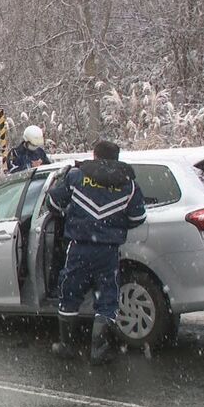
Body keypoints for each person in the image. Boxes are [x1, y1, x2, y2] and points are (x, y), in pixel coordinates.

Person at [46, 140, 146, 364]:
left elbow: (52, 203)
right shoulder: (128, 184)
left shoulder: (76, 176)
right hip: (108, 250)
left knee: (69, 294)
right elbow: (138, 218)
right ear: (116, 158)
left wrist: (70, 214)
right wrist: (113, 226)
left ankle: (66, 346)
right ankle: (98, 351)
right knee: (107, 298)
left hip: (79, 247)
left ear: (94, 155)